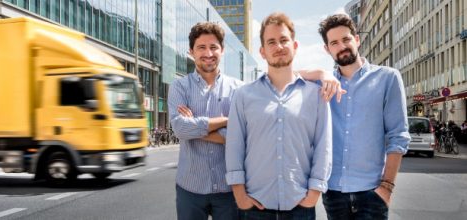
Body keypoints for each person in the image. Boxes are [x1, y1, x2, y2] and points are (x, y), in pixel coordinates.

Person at [225, 12, 332, 219]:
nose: (279, 46)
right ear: (262, 52)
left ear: (295, 45)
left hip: (300, 206)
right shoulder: (243, 95)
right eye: (271, 42)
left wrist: (314, 193)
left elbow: (323, 146)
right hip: (255, 207)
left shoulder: (316, 96)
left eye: (284, 40)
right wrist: (240, 196)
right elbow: (234, 146)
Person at [316, 14, 410, 220]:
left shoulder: (388, 77)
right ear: (327, 49)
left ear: (357, 40)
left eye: (346, 39)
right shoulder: (323, 85)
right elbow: (293, 75)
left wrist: (386, 187)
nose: (342, 46)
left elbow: (398, 136)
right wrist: (322, 74)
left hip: (372, 192)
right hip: (333, 193)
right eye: (334, 43)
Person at [168, 22, 242, 220]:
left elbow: (240, 135)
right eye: (201, 47)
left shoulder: (238, 89)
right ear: (191, 51)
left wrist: (196, 128)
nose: (208, 53)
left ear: (222, 50)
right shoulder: (179, 87)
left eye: (213, 47)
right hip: (190, 188)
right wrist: (226, 120)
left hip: (229, 188)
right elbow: (180, 129)